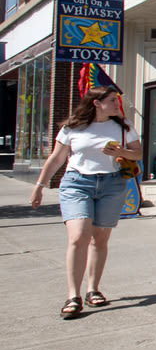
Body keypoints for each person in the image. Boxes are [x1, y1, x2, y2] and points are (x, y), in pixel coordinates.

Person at [30, 86, 142, 320]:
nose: (116, 104)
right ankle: (73, 296)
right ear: (97, 103)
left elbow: (137, 154)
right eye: (112, 100)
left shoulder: (123, 126)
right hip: (77, 183)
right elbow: (57, 157)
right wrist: (40, 185)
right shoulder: (72, 126)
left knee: (99, 238)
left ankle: (93, 289)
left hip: (112, 185)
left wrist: (121, 151)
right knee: (78, 235)